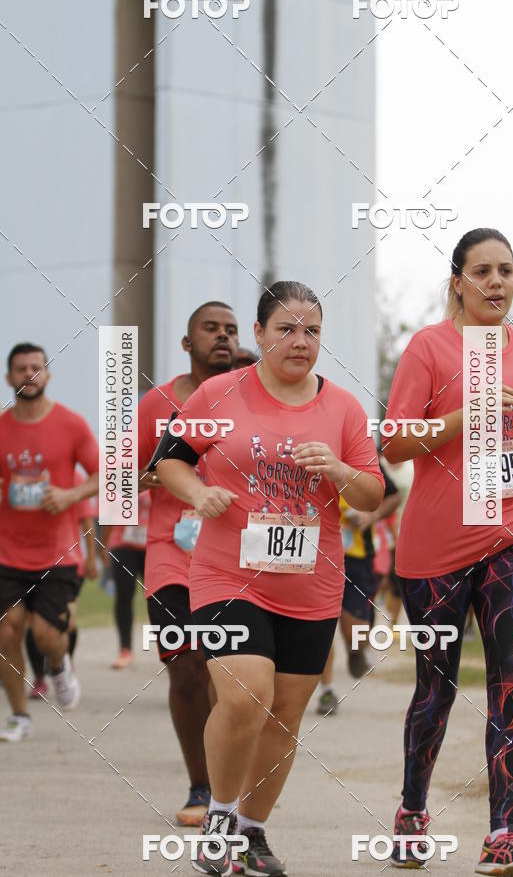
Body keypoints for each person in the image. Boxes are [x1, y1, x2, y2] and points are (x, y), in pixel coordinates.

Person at [154, 280, 384, 876]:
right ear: (259, 335)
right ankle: (220, 818)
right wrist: (200, 490)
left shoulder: (343, 408)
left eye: (311, 331)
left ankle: (254, 834)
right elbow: (170, 461)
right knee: (245, 691)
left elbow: (372, 493)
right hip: (228, 573)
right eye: (286, 329)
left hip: (310, 582)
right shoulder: (218, 394)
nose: (299, 341)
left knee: (284, 715)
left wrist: (336, 468)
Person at [383, 229, 513, 874]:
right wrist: (465, 416)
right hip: (437, 546)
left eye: (506, 271)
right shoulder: (428, 348)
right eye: (481, 271)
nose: (496, 283)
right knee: (438, 686)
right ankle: (411, 813)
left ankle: (504, 831)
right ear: (456, 280)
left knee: (511, 680)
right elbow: (396, 442)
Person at [137, 302, 240, 827]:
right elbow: (119, 480)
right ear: (187, 342)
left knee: (232, 674)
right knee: (185, 665)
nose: (221, 337)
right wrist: (158, 477)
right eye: (210, 329)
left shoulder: (249, 395)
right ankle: (200, 785)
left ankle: (230, 785)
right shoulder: (154, 403)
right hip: (169, 552)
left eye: (230, 330)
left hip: (235, 555)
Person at [0, 344, 99, 741]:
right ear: (9, 377)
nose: (29, 373)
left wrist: (69, 496)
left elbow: (102, 474)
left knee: (44, 633)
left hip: (56, 554)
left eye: (36, 367)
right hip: (7, 551)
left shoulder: (71, 425)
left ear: (47, 374)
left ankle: (58, 666)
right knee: (8, 631)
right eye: (21, 368)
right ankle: (19, 715)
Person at [315, 470, 401, 716]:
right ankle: (327, 690)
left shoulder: (363, 455)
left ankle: (356, 649)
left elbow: (393, 496)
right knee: (322, 625)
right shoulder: (306, 449)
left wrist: (370, 515)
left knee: (354, 628)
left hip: (357, 557)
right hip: (317, 555)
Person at [27, 469, 98, 697]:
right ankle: (39, 677)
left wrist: (91, 557)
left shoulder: (75, 478)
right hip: (28, 562)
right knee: (34, 622)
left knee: (67, 622)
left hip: (67, 561)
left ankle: (63, 664)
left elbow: (87, 521)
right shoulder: (22, 474)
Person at [100, 490, 151, 668]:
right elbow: (109, 512)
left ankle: (171, 648)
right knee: (124, 595)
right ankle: (125, 649)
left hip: (154, 544)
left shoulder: (164, 468)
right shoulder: (122, 471)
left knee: (158, 598)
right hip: (122, 544)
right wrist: (104, 546)